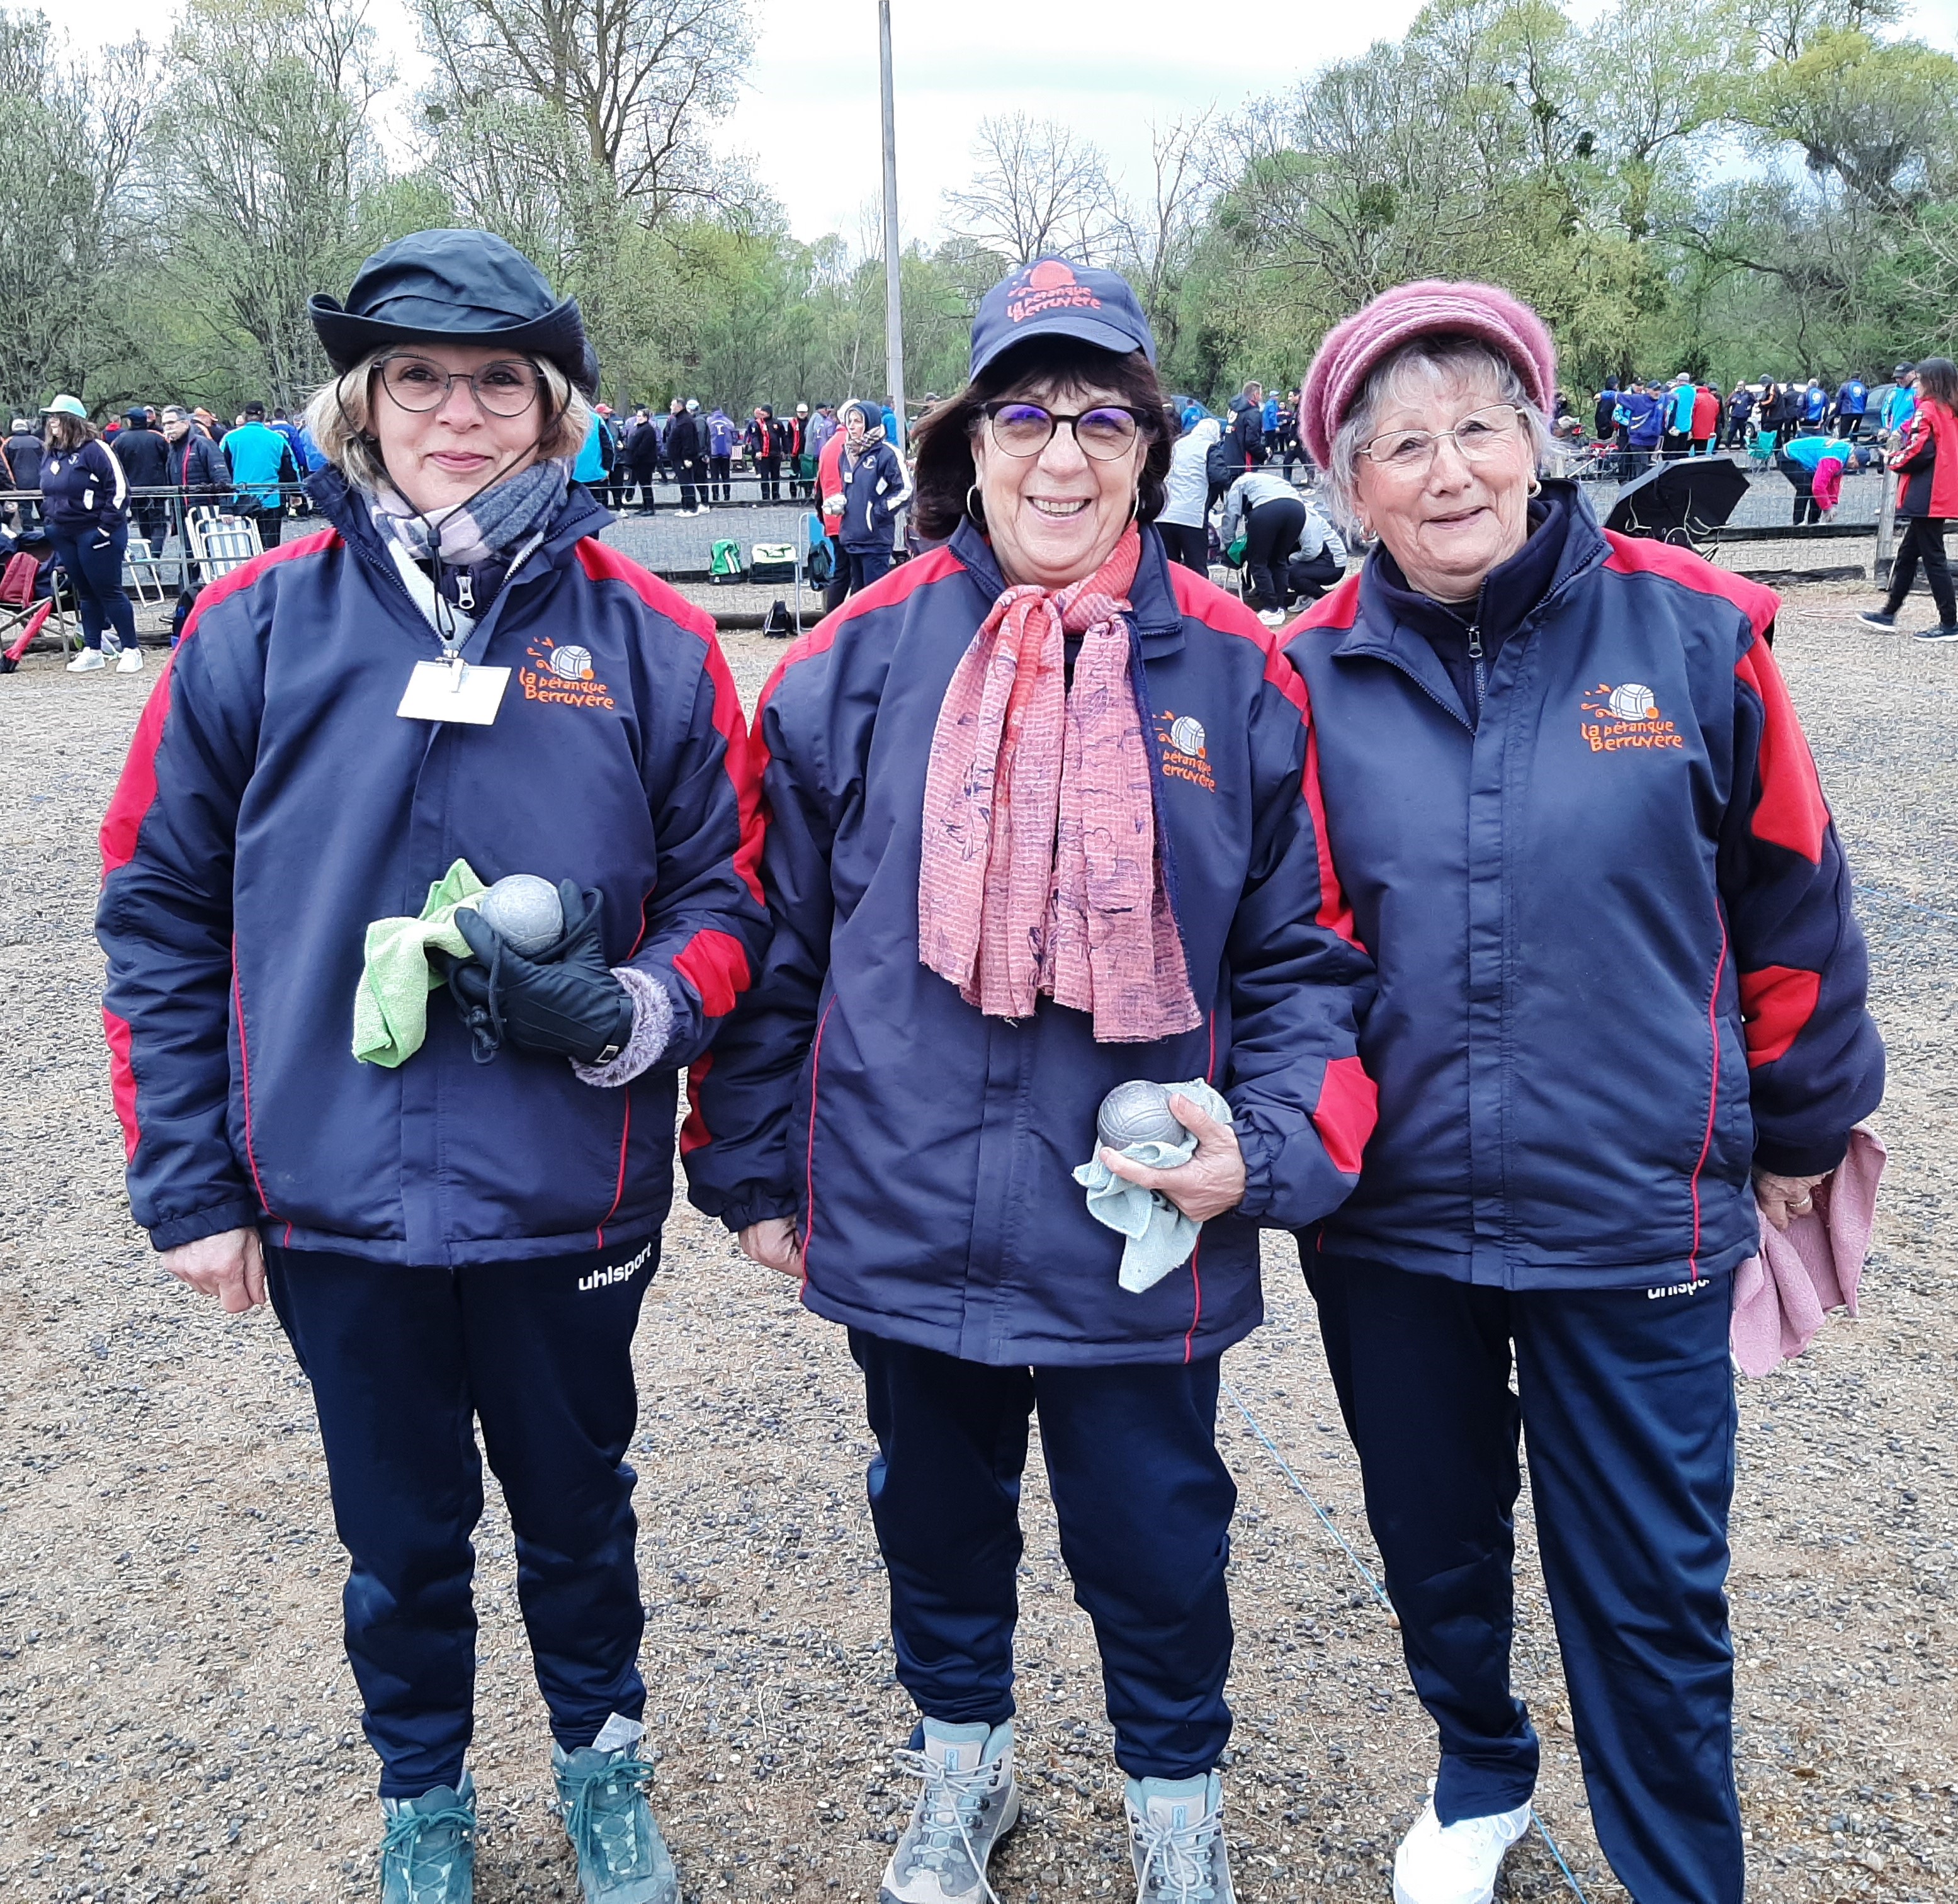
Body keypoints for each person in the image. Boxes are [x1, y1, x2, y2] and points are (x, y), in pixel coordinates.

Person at [685, 253, 1376, 1904]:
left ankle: (1174, 1808)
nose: (1058, 455)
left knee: (1154, 1538)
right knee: (932, 1517)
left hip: (1138, 1211)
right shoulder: (848, 666)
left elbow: (1302, 962)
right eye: (1021, 413)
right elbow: (771, 944)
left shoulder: (1234, 673)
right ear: (963, 440)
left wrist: (1264, 1147)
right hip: (906, 1196)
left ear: (1145, 442)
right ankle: (961, 1771)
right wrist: (754, 1172)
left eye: (1098, 417)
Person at [95, 227, 770, 1904]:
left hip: (569, 1193)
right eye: (418, 380)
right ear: (362, 403)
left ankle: (603, 1763)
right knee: (398, 1543)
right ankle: (425, 1796)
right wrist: (193, 1182)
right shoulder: (255, 633)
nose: (454, 414)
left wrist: (636, 1007)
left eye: (493, 384)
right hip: (337, 1201)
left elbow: (731, 898)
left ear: (550, 415)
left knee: (576, 1516)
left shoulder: (647, 643)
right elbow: (158, 912)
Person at [1287, 279, 1884, 1904]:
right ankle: (1474, 1770)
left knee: (1645, 1589)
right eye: (1399, 443)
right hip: (1387, 1219)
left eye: (1478, 423)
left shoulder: (1690, 631)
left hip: (1633, 1208)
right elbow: (1276, 952)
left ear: (1538, 437)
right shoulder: (1299, 678)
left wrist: (1803, 1117)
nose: (1447, 468)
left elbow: (1790, 894)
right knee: (1433, 1544)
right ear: (1349, 489)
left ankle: (1678, 1874)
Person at [39, 394, 143, 674]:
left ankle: (131, 649)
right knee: (85, 592)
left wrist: (105, 528)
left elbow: (119, 489)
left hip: (95, 531)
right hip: (64, 531)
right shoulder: (52, 452)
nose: (51, 422)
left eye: (57, 416)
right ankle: (93, 649)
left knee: (108, 590)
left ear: (71, 420)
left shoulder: (96, 449)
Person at [1860, 355, 1957, 641]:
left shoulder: (1927, 409)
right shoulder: (1950, 410)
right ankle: (1889, 611)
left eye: (1918, 381)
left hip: (1929, 492)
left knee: (1933, 558)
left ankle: (1950, 622)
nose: (1915, 386)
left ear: (1930, 382)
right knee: (1907, 553)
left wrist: (1892, 459)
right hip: (1941, 490)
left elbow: (1920, 449)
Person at [830, 397, 909, 595]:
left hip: (875, 540)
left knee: (876, 600)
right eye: (850, 421)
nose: (853, 426)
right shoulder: (846, 453)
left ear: (870, 423)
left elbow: (905, 490)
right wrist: (841, 501)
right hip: (852, 537)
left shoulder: (888, 454)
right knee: (858, 600)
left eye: (858, 421)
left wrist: (877, 512)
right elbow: (852, 488)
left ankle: (886, 627)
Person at [1220, 461, 1307, 625]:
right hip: (1297, 509)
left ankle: (1270, 608)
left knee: (1258, 562)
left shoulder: (1239, 483)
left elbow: (1231, 516)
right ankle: (1280, 607)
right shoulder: (1267, 479)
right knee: (1279, 560)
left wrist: (1228, 544)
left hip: (1268, 510)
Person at [224, 401, 300, 548]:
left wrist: (224, 504)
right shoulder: (277, 439)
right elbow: (290, 468)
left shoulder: (230, 439)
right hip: (270, 499)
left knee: (243, 546)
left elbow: (223, 472)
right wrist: (295, 493)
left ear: (244, 417)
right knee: (270, 547)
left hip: (240, 500)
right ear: (264, 417)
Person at [1157, 410, 1220, 574]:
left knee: (1169, 570)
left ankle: (1170, 600)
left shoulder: (1177, 444)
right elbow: (1220, 478)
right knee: (1197, 570)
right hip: (1193, 517)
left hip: (1165, 514)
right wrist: (1210, 501)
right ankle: (1199, 601)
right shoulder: (1211, 448)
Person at [111, 407, 171, 553]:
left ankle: (150, 553)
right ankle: (154, 554)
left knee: (143, 523)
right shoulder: (158, 438)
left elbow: (114, 466)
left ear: (131, 422)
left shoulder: (120, 440)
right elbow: (169, 461)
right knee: (159, 524)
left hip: (133, 490)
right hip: (157, 490)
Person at [1777, 429, 1853, 524]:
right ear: (1854, 458)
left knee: (1815, 486)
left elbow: (1834, 481)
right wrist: (1828, 508)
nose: (1855, 468)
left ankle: (1813, 522)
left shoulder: (1844, 457)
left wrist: (1833, 503)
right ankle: (1798, 523)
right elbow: (1818, 487)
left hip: (1809, 459)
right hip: (1789, 456)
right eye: (1857, 465)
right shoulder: (1833, 459)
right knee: (1805, 487)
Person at [1284, 498, 1347, 603]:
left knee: (1291, 574)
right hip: (1317, 558)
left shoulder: (1307, 518)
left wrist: (1292, 558)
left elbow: (1312, 551)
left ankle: (1325, 600)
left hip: (1333, 562)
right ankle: (1305, 595)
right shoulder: (1292, 514)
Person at [6, 416, 44, 533]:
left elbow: (5, 464)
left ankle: (29, 537)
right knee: (44, 509)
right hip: (40, 481)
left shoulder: (9, 443)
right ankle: (48, 535)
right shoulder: (38, 441)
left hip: (20, 484)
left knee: (25, 511)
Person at [667, 397, 703, 515]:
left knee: (687, 482)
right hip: (677, 457)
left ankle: (691, 508)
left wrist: (687, 458)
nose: (671, 407)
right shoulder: (679, 420)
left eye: (673, 405)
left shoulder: (686, 421)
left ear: (680, 407)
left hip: (684, 458)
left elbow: (689, 441)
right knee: (683, 483)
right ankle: (685, 506)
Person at [745, 404, 783, 502]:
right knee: (765, 476)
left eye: (764, 412)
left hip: (776, 454)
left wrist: (785, 450)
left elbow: (784, 437)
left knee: (776, 476)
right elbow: (755, 438)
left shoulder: (777, 423)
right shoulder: (757, 424)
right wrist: (758, 450)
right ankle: (765, 497)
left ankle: (776, 496)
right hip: (763, 454)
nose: (762, 414)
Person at [705, 405, 735, 501]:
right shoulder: (728, 422)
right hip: (726, 452)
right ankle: (727, 496)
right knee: (726, 476)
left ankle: (715, 497)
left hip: (713, 452)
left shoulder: (708, 421)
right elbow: (735, 436)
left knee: (715, 477)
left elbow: (705, 436)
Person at [1880, 363, 1918, 438]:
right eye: (1897, 377)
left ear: (1913, 373)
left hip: (1910, 435)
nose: (1899, 380)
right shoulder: (1895, 392)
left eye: (1902, 377)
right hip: (1895, 435)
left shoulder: (1917, 392)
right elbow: (1885, 411)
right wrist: (1886, 428)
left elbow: (1919, 415)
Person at [1832, 373, 1869, 438]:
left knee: (1844, 433)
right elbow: (1865, 400)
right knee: (1855, 434)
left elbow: (1839, 400)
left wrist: (1837, 414)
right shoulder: (1863, 387)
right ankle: (1854, 445)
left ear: (1850, 378)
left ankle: (1844, 445)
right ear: (1859, 378)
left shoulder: (1845, 386)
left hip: (1847, 412)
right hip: (1860, 413)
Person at [1724, 380, 1757, 451]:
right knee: (1732, 431)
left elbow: (1754, 401)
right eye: (1738, 386)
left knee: (1742, 431)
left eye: (1741, 386)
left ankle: (1742, 446)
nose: (1739, 387)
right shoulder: (1734, 394)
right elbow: (1727, 403)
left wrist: (1750, 406)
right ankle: (1728, 446)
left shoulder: (1748, 394)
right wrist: (1731, 401)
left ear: (1744, 386)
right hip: (1735, 416)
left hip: (1743, 416)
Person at [1690, 382, 1720, 455]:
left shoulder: (1696, 397)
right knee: (1701, 455)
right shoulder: (1713, 399)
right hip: (1705, 432)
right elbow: (1716, 414)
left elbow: (1691, 413)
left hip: (1692, 431)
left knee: (1683, 454)